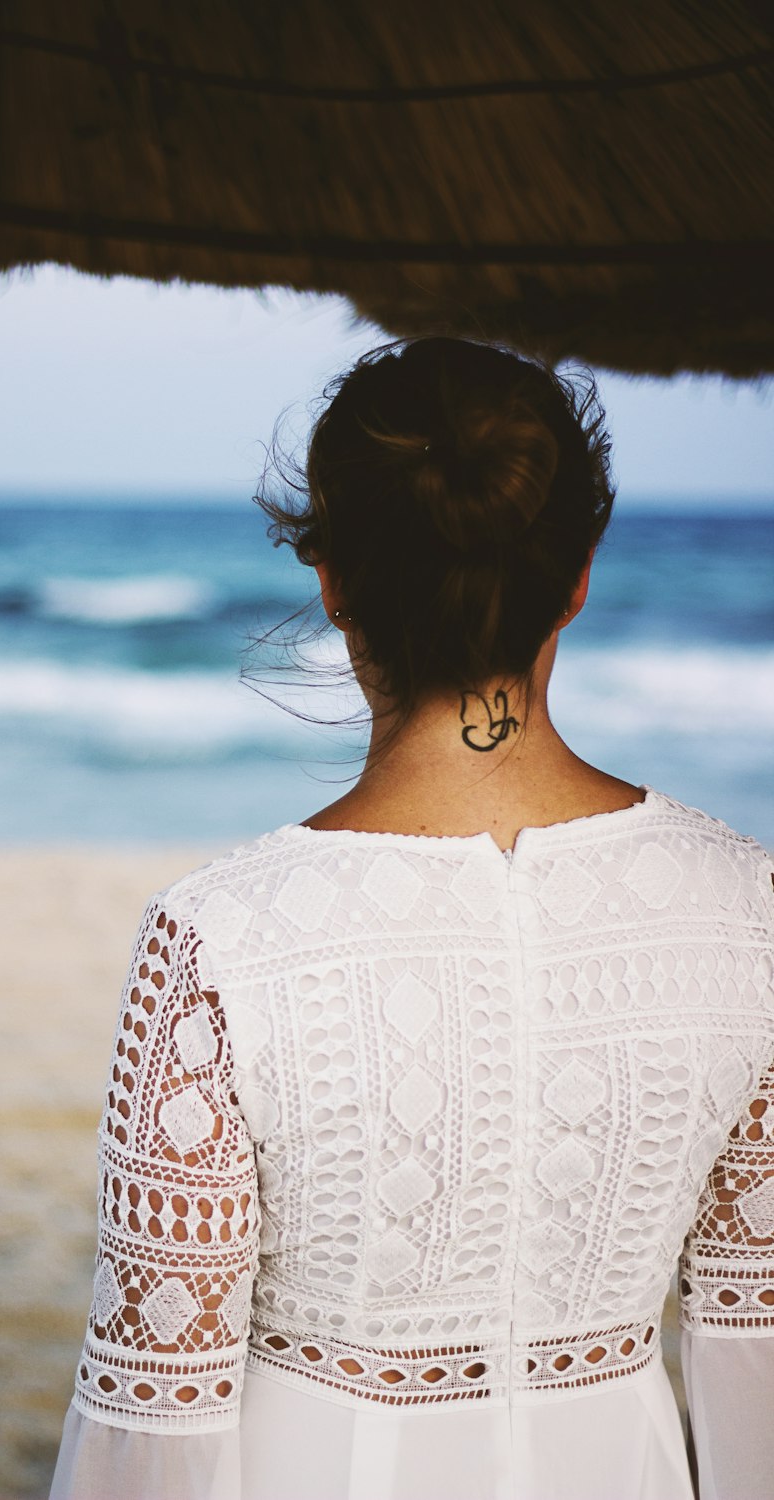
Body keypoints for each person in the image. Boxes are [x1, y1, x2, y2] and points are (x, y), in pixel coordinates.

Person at [49, 338, 774, 1500]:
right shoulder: (747, 915)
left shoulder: (217, 945)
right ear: (577, 575)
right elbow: (758, 1355)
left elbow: (156, 1415)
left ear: (331, 577)